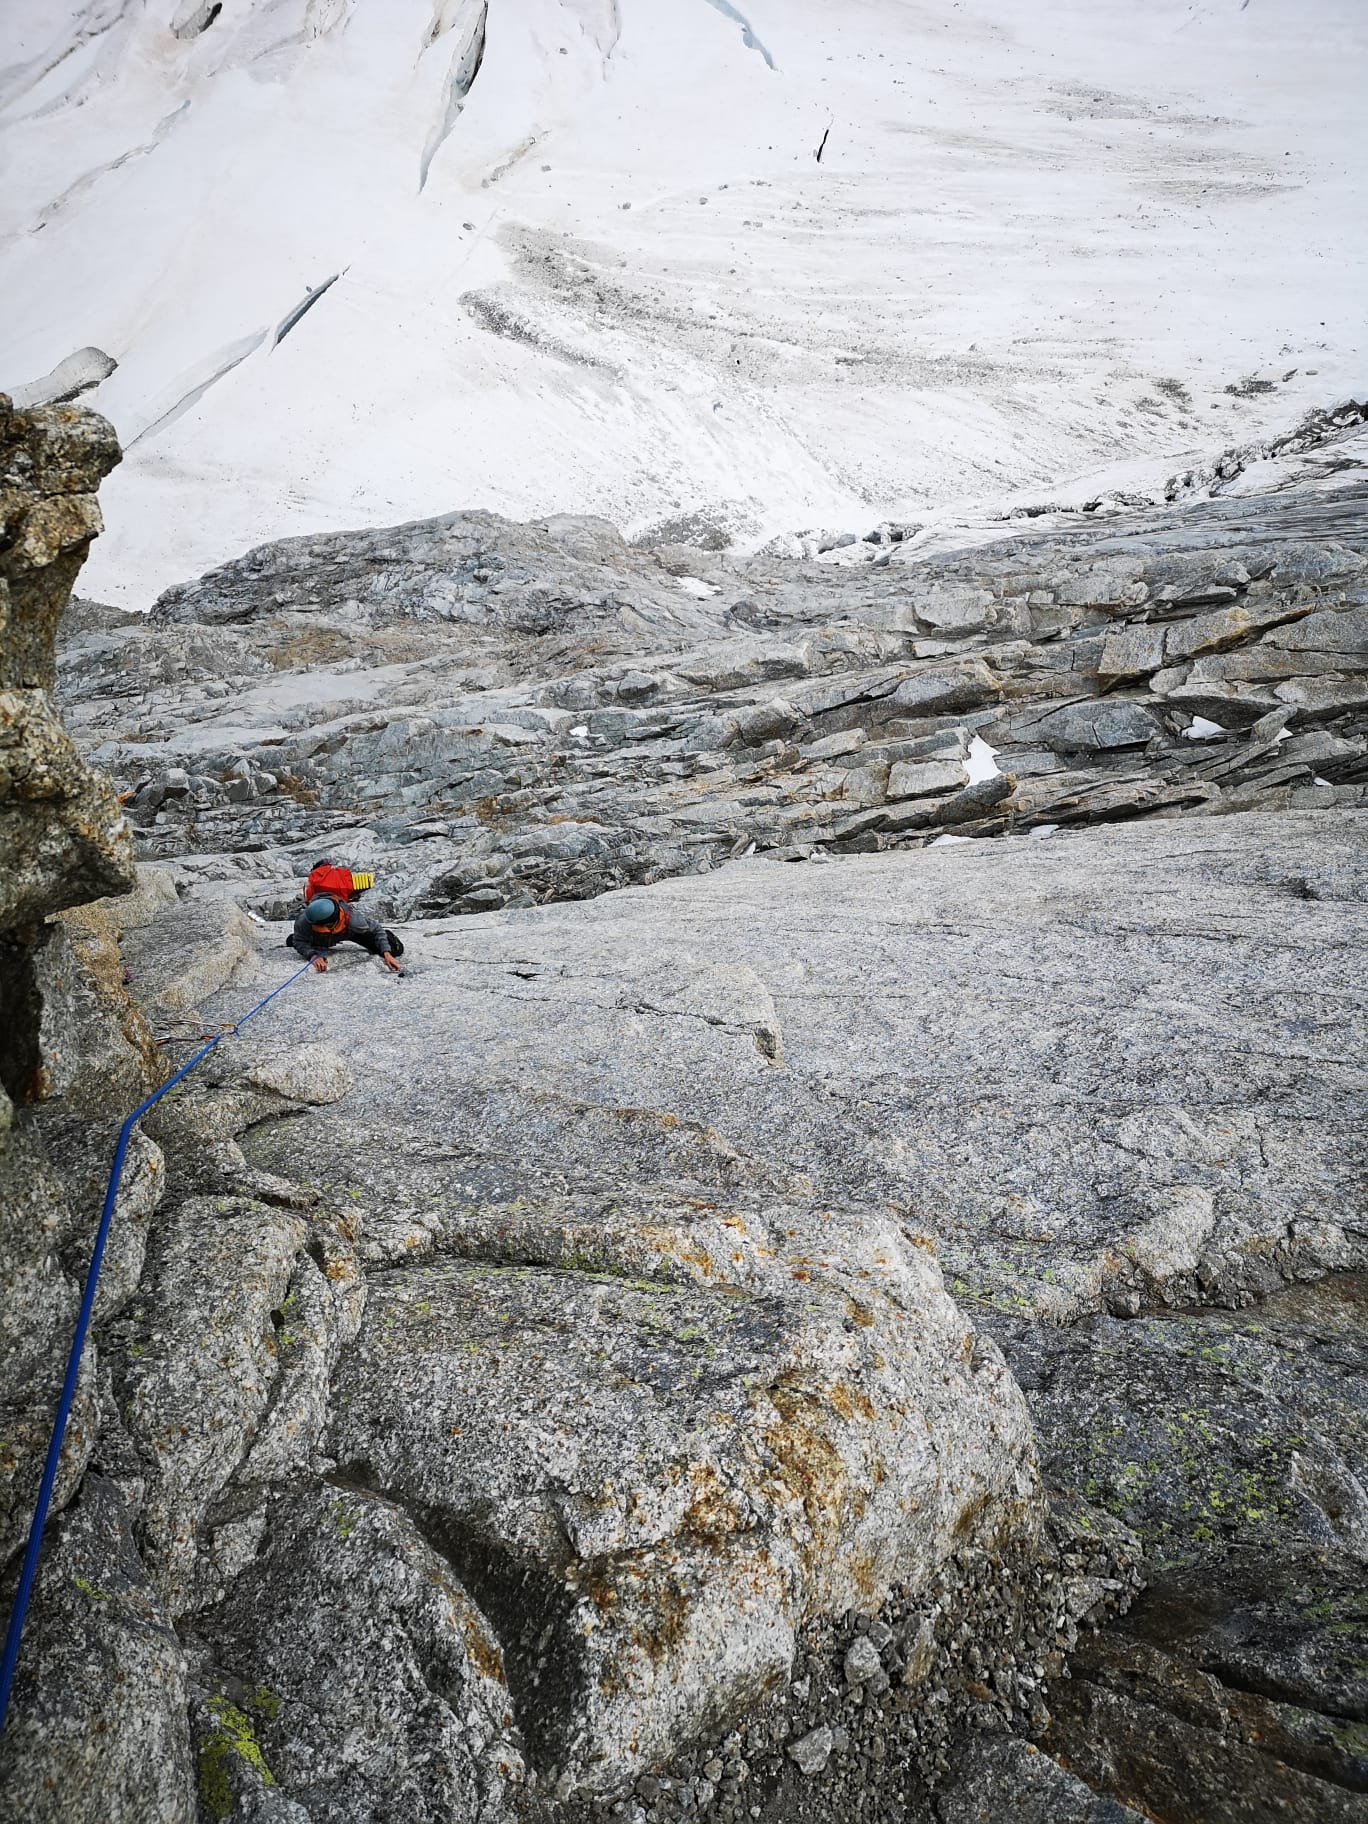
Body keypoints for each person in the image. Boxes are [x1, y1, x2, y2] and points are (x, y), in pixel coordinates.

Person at [287, 897, 404, 973]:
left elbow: (376, 928)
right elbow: (299, 941)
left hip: (349, 932)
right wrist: (312, 955)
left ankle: (387, 939)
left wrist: (387, 953)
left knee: (395, 949)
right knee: (293, 941)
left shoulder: (354, 921)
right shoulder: (305, 921)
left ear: (332, 924)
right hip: (321, 937)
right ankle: (312, 939)